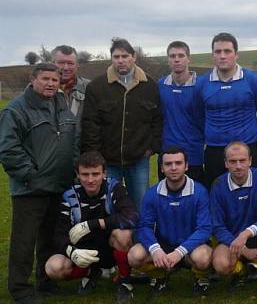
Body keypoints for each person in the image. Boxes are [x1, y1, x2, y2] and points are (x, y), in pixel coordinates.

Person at [0, 62, 78, 304]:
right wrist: (30, 175)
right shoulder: (16, 111)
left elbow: (72, 140)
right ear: (32, 79)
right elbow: (9, 149)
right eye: (45, 79)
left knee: (49, 237)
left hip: (59, 184)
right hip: (30, 188)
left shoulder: (61, 105)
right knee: (25, 240)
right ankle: (20, 289)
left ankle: (46, 281)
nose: (51, 84)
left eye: (55, 80)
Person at [44, 151, 138, 300]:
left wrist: (93, 224)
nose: (90, 179)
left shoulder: (114, 188)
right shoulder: (69, 196)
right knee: (53, 267)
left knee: (124, 235)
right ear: (77, 174)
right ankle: (92, 273)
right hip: (84, 251)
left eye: (95, 174)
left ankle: (124, 281)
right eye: (85, 174)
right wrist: (71, 251)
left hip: (110, 248)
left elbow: (132, 217)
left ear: (104, 173)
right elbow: (59, 234)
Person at [81, 38, 162, 208]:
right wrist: (96, 156)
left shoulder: (150, 86)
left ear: (133, 57)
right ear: (111, 58)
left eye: (125, 56)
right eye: (116, 56)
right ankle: (112, 235)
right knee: (108, 205)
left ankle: (140, 235)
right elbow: (90, 124)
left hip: (138, 160)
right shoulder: (96, 87)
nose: (121, 60)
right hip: (108, 160)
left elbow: (157, 120)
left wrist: (151, 148)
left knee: (140, 204)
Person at [127, 147, 213, 297]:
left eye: (178, 163)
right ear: (162, 168)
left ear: (186, 166)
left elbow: (204, 229)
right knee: (134, 256)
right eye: (168, 164)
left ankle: (200, 278)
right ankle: (160, 275)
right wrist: (156, 250)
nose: (173, 167)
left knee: (203, 257)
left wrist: (180, 252)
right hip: (164, 245)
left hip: (191, 246)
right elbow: (144, 226)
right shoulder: (152, 194)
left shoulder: (199, 192)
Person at [194, 32, 257, 188]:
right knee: (215, 193)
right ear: (212, 55)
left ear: (236, 54)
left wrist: (252, 131)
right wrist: (213, 132)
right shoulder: (202, 83)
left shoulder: (253, 80)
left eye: (227, 51)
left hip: (247, 147)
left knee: (251, 194)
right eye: (218, 52)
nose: (222, 56)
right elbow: (198, 115)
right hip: (215, 150)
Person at [209, 141, 257, 295]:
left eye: (242, 161)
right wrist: (243, 250)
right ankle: (241, 272)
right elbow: (217, 226)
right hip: (232, 239)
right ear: (226, 164)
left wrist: (247, 233)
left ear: (250, 160)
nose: (238, 166)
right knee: (220, 265)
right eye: (233, 161)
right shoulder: (218, 185)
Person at [159, 41, 205, 183]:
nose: (176, 59)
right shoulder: (160, 85)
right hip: (167, 155)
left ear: (188, 58)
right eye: (172, 56)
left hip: (194, 155)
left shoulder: (202, 85)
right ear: (168, 60)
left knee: (194, 198)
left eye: (181, 55)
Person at [52, 44, 90, 119]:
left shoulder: (90, 87)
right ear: (52, 64)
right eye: (61, 63)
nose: (66, 68)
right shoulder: (40, 89)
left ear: (77, 65)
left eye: (70, 63)